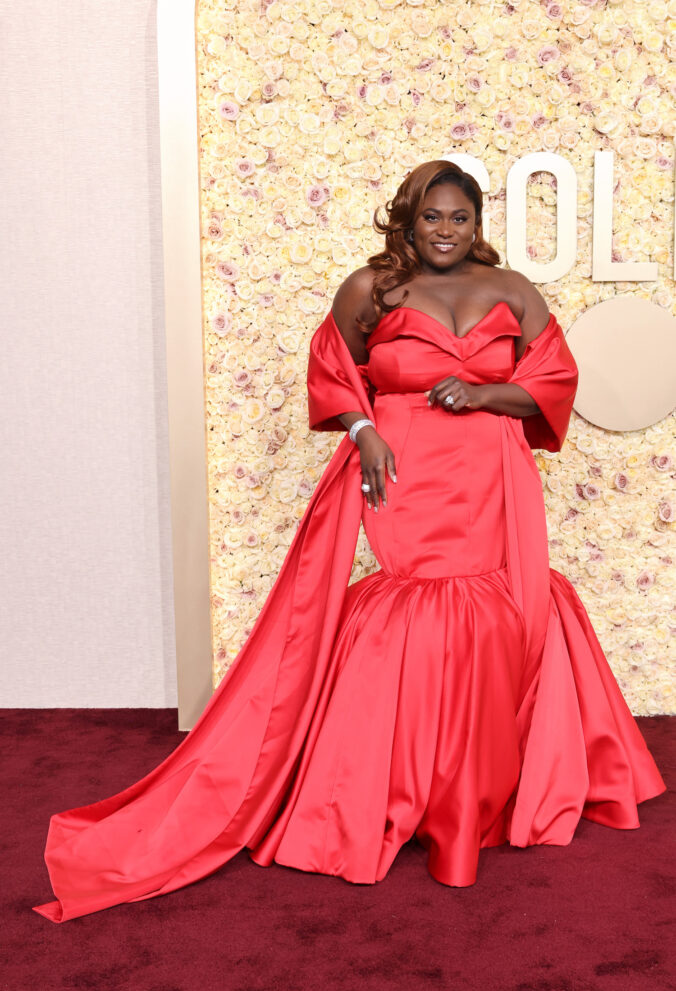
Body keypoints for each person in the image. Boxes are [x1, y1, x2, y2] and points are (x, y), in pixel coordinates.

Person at [34, 160, 666, 923]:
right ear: (407, 219)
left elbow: (553, 379)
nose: (444, 230)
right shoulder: (372, 288)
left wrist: (484, 394)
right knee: (418, 608)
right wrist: (364, 431)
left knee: (499, 611)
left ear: (477, 225)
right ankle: (397, 792)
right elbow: (333, 372)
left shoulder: (514, 293)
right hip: (402, 463)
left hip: (492, 470)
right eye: (431, 216)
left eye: (458, 218)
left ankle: (484, 792)